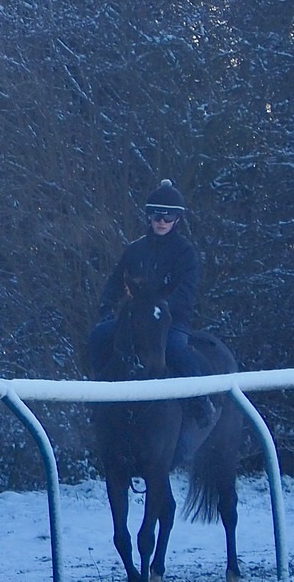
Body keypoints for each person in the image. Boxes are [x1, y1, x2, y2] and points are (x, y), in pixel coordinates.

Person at [88, 179, 212, 422]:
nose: (162, 223)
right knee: (100, 336)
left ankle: (201, 402)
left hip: (170, 320)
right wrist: (106, 307)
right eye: (157, 217)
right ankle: (96, 396)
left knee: (176, 349)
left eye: (168, 218)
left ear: (177, 220)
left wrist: (163, 308)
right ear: (149, 218)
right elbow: (115, 280)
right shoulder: (135, 250)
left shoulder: (185, 253)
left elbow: (187, 290)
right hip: (135, 318)